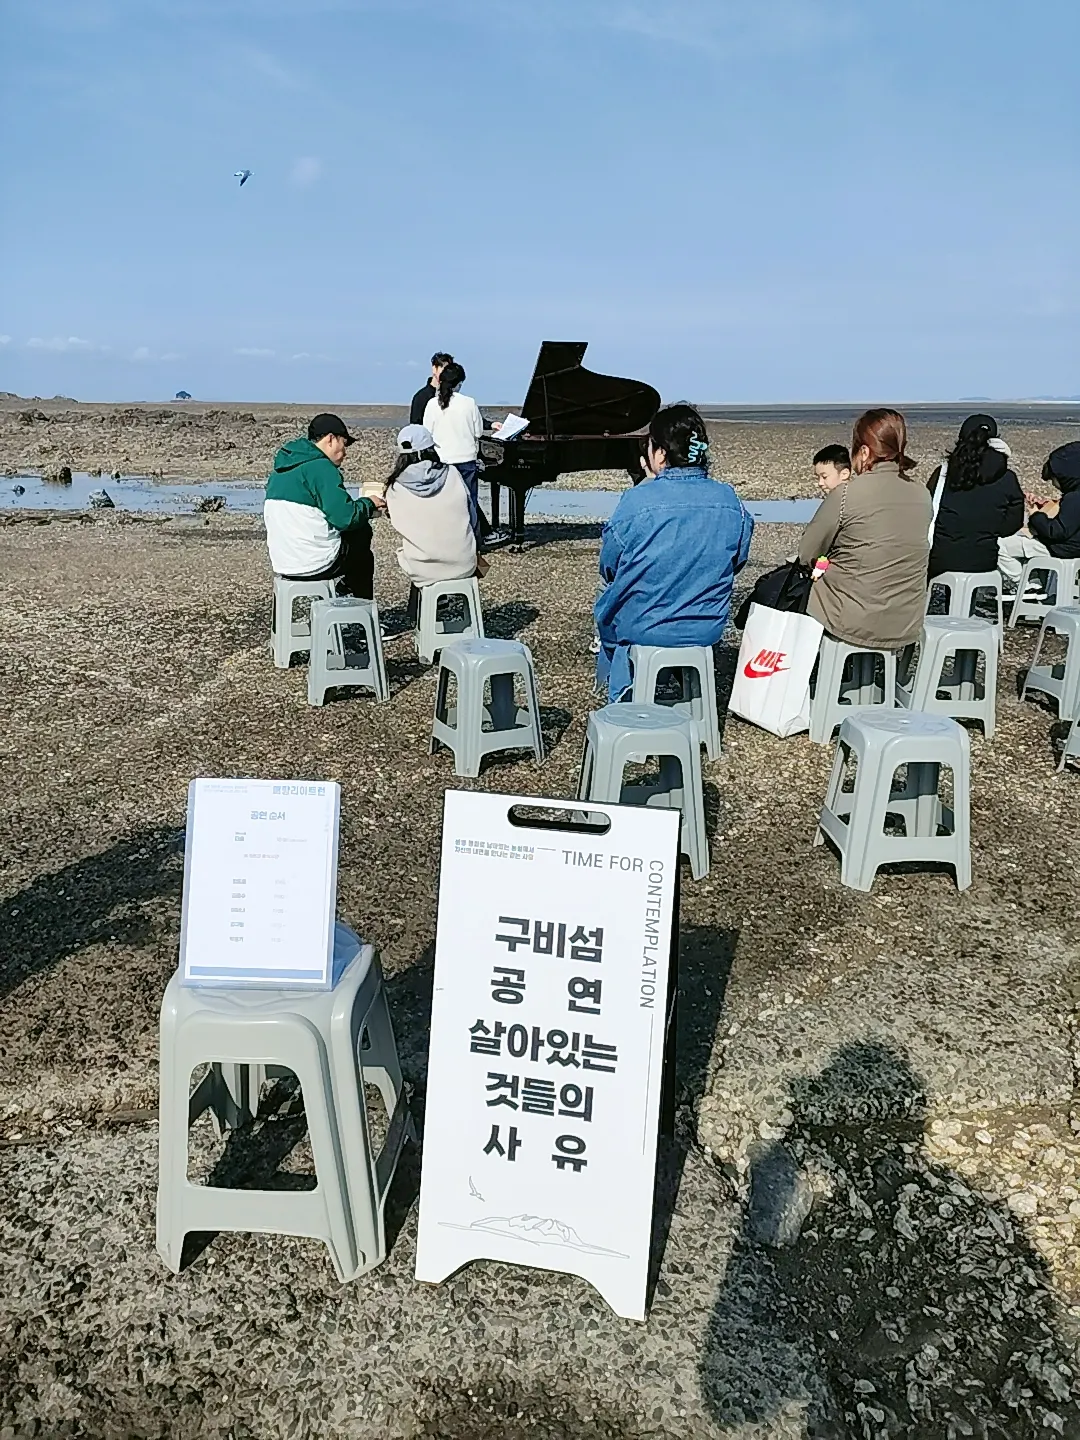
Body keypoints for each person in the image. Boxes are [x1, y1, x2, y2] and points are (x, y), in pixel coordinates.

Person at [594, 403, 754, 700]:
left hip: (645, 627)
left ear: (659, 453)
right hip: (705, 627)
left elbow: (610, 565)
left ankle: (624, 691)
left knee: (608, 590)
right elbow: (737, 561)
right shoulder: (730, 500)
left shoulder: (637, 501)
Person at [798, 408, 930, 649]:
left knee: (793, 589)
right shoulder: (922, 493)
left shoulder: (846, 494)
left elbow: (808, 552)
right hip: (905, 620)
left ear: (865, 452)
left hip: (851, 618)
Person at [263, 412, 384, 599]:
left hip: (283, 563)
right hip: (315, 564)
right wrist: (369, 503)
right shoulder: (321, 467)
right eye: (344, 444)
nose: (345, 452)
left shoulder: (280, 470)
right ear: (331, 439)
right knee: (362, 542)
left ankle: (346, 591)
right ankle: (362, 610)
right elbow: (346, 518)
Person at [926, 414, 1024, 579]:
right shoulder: (1007, 478)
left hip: (942, 561)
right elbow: (1011, 525)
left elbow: (927, 512)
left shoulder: (943, 474)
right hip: (984, 562)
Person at [383, 423, 479, 592]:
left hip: (421, 568)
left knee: (411, 548)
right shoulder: (452, 473)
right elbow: (473, 516)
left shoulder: (395, 487)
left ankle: (420, 606)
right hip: (464, 562)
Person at [998, 441, 1080, 588]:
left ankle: (1025, 585)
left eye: (1053, 479)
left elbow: (1056, 531)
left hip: (1062, 549)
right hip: (1072, 548)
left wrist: (1036, 515)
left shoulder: (1074, 497)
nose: (1053, 484)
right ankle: (1038, 584)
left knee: (999, 546)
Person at [409, 352, 453, 426]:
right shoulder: (421, 397)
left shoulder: (452, 396)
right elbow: (415, 425)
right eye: (443, 369)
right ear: (434, 368)